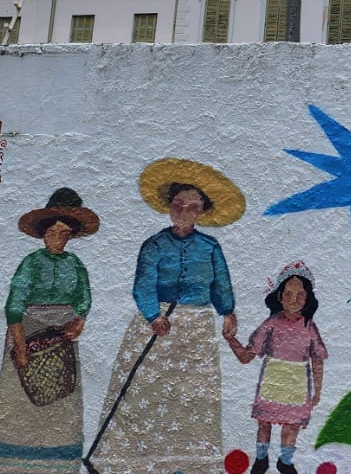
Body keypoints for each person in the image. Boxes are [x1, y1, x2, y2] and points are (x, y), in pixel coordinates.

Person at [90, 158, 245, 474]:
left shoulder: (210, 247)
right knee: (146, 394)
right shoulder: (154, 246)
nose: (185, 212)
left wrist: (227, 313)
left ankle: (186, 465)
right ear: (169, 206)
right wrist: (152, 316)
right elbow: (143, 284)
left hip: (196, 331)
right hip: (158, 326)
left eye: (193, 206)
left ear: (201, 211)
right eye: (179, 204)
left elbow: (220, 284)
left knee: (191, 398)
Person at [0, 187, 98, 474]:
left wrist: (78, 320)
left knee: (61, 393)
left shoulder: (75, 264)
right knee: (21, 398)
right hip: (28, 331)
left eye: (66, 234)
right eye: (55, 232)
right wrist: (20, 348)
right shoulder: (31, 264)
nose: (60, 238)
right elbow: (14, 306)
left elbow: (84, 297)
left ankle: (57, 464)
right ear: (44, 233)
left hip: (63, 337)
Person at [229, 261, 328, 474]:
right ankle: (262, 459)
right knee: (264, 423)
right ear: (280, 296)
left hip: (297, 383)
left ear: (308, 299)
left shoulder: (309, 327)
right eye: (288, 294)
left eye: (300, 295)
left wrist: (317, 391)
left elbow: (317, 360)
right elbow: (247, 356)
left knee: (291, 426)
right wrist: (230, 339)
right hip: (272, 379)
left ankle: (285, 461)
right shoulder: (272, 323)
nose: (293, 300)